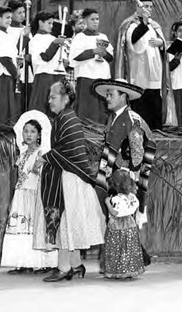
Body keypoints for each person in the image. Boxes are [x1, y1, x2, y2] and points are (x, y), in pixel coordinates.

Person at [33, 79, 106, 282]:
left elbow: (69, 151)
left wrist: (45, 157)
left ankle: (64, 267)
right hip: (67, 177)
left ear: (66, 98)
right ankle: (75, 265)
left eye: (53, 97)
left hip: (70, 179)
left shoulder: (67, 119)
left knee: (65, 223)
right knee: (67, 225)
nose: (49, 101)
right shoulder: (64, 118)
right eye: (49, 97)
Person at [93, 78, 157, 268]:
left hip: (125, 177)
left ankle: (130, 259)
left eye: (111, 94)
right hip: (115, 173)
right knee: (118, 217)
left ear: (124, 97)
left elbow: (139, 152)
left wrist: (130, 178)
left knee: (123, 215)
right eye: (107, 95)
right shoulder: (113, 118)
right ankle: (132, 257)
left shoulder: (131, 119)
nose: (107, 98)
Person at [1, 110, 58, 274]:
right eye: (26, 131)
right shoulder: (22, 154)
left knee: (35, 228)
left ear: (39, 134)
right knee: (20, 228)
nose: (29, 134)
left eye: (33, 131)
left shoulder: (42, 153)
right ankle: (23, 262)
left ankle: (42, 263)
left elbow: (44, 176)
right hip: (21, 195)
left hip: (35, 194)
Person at [114, 0, 176, 130]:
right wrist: (144, 24)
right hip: (138, 72)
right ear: (138, 6)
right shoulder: (130, 24)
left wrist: (162, 44)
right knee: (140, 104)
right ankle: (139, 131)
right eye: (145, 6)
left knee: (155, 102)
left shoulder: (155, 25)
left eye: (150, 6)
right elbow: (132, 42)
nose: (149, 9)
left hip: (155, 72)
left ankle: (156, 131)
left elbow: (163, 47)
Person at [69, 8, 113, 124]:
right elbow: (75, 56)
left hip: (103, 77)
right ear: (85, 21)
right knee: (88, 109)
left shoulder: (103, 36)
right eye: (92, 19)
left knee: (102, 109)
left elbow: (111, 58)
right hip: (86, 76)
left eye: (97, 19)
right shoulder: (80, 38)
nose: (95, 22)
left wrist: (104, 53)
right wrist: (93, 51)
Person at [104, 169, 145, 279]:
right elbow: (136, 206)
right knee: (129, 248)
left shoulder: (117, 199)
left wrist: (108, 203)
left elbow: (115, 212)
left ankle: (118, 270)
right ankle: (129, 269)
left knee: (117, 248)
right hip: (130, 223)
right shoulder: (132, 197)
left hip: (117, 225)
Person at [28, 11, 67, 115]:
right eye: (49, 23)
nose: (52, 26)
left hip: (58, 76)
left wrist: (65, 58)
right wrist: (55, 44)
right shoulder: (35, 40)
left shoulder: (53, 38)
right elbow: (45, 57)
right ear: (40, 23)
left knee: (58, 106)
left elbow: (63, 60)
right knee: (43, 106)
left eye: (52, 23)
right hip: (44, 76)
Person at [8, 0, 34, 112]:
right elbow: (12, 50)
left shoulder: (26, 29)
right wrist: (24, 36)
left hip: (27, 69)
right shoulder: (7, 30)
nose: (23, 15)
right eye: (19, 13)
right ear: (11, 14)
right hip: (15, 69)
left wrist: (31, 57)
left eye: (24, 12)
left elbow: (32, 47)